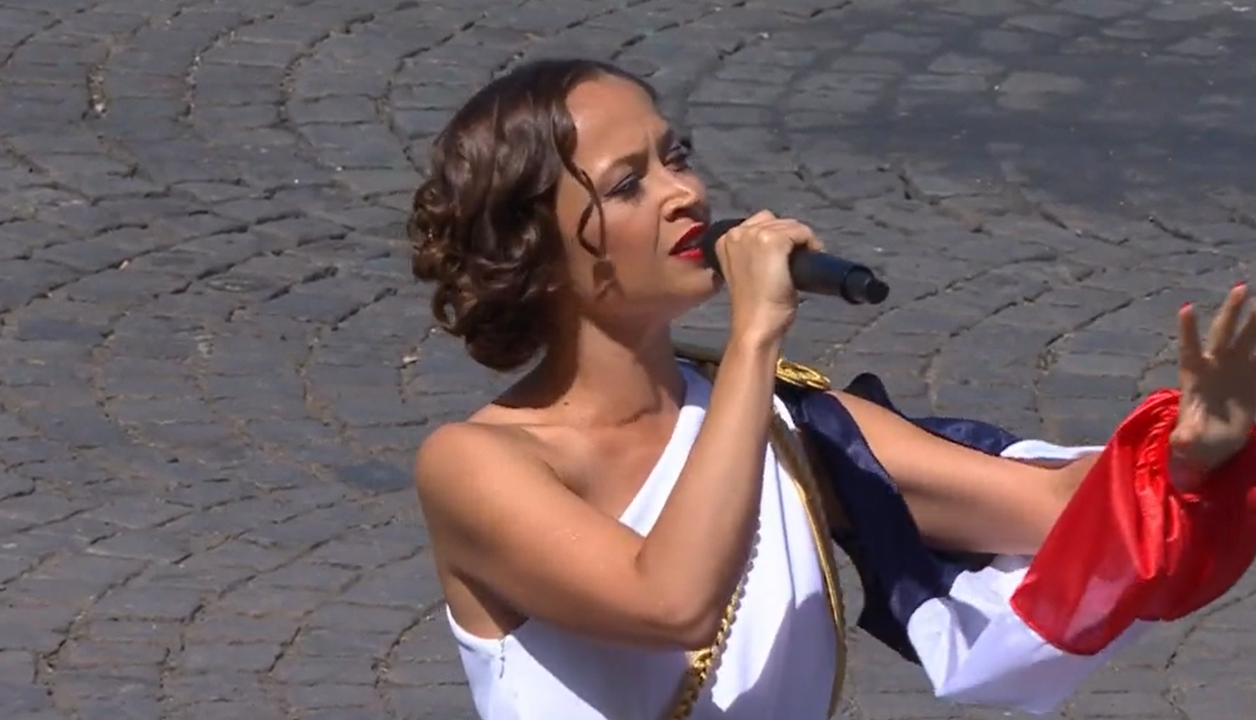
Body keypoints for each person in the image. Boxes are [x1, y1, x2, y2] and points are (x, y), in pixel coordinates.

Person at [405, 57, 1256, 720]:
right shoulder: (476, 466)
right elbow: (669, 600)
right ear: (534, 252)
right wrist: (753, 337)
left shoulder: (792, 425)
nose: (686, 194)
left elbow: (1052, 509)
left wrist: (1187, 456)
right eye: (630, 183)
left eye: (677, 156)